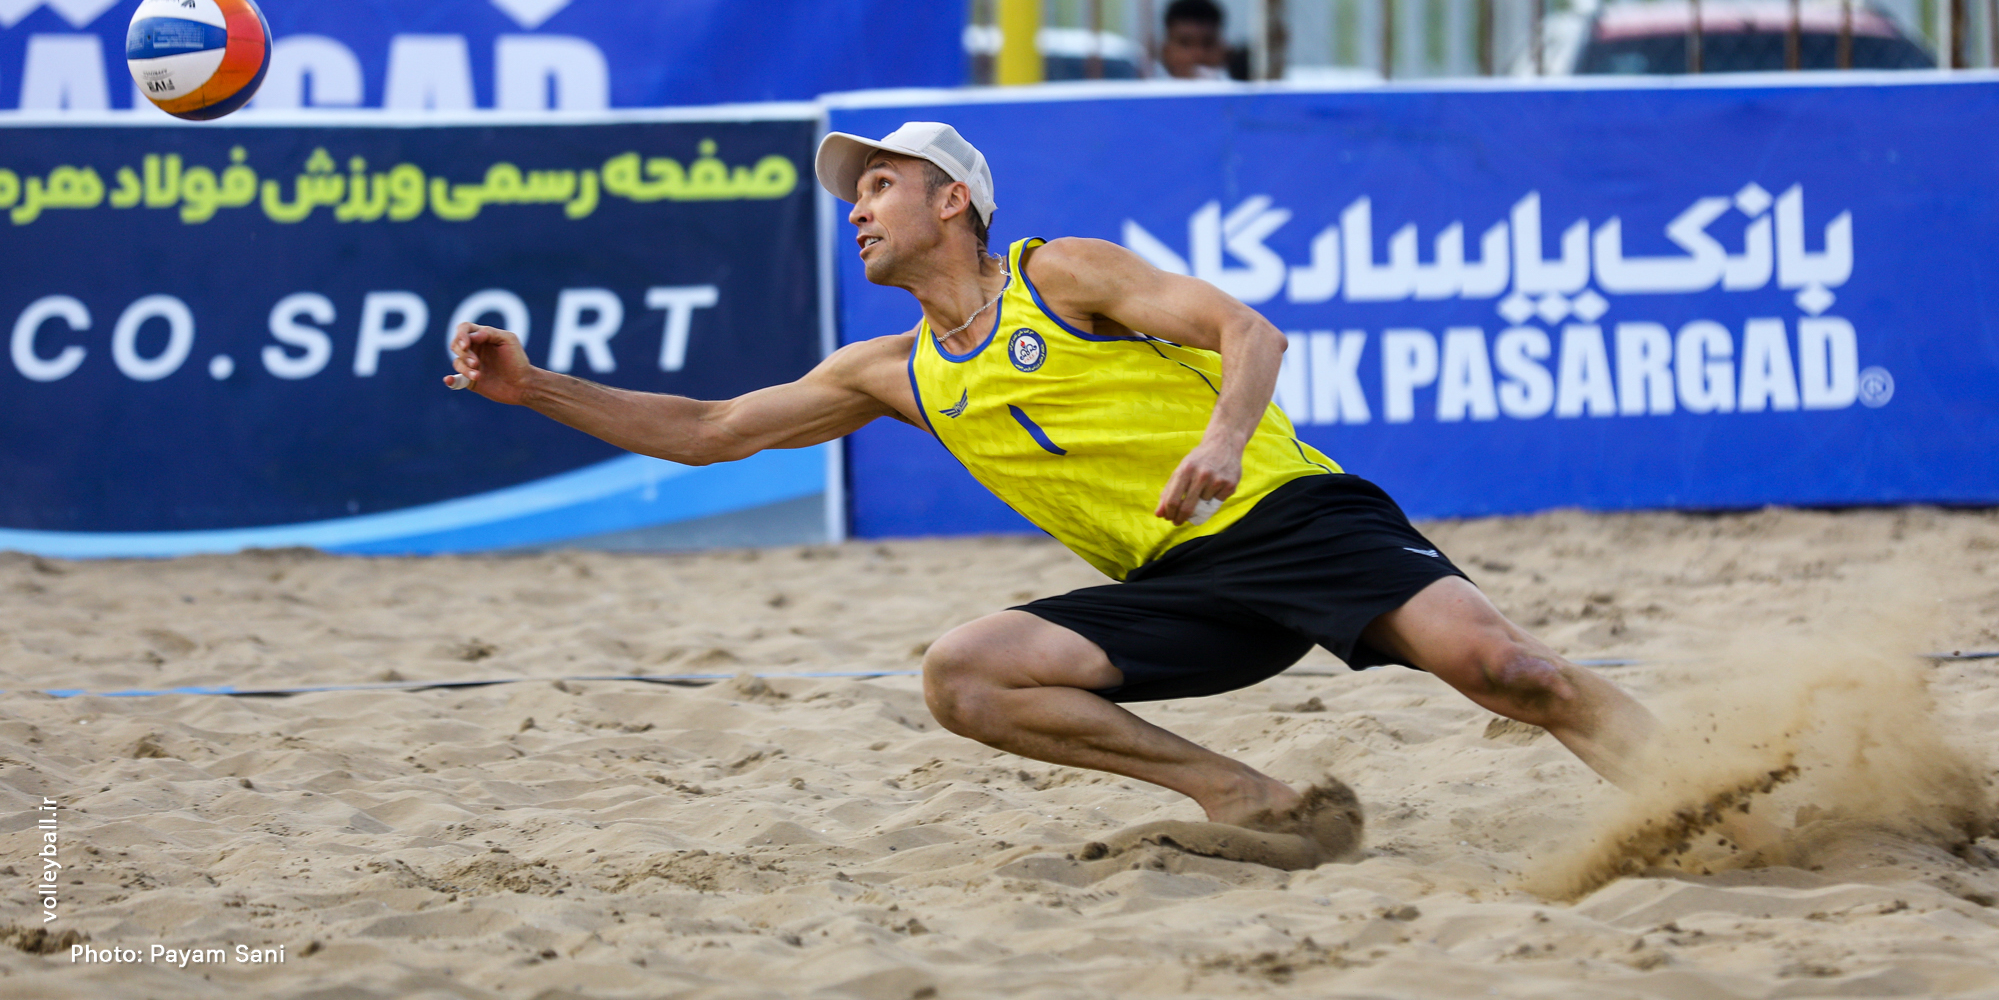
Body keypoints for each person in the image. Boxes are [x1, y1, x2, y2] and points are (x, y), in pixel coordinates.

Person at [444, 121, 1656, 856]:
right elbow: (710, 430)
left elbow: (1250, 331)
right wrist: (535, 385)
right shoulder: (891, 370)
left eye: (879, 185)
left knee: (1512, 674)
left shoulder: (1061, 273)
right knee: (963, 673)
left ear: (951, 200)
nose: (857, 208)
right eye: (853, 194)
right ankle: (1250, 799)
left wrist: (1223, 441)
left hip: (1290, 517)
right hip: (1182, 584)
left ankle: (1708, 796)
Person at [1158, 0, 1231, 80]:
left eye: (1208, 43)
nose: (1198, 54)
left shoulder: (1240, 87)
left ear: (1223, 49)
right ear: (1166, 51)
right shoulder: (1150, 88)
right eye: (1185, 43)